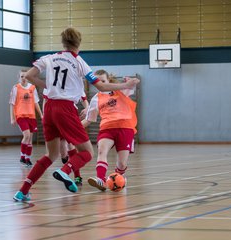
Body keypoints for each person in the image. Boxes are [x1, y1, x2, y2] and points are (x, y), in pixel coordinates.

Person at [13, 27, 139, 201]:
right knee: (87, 152)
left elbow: (29, 75)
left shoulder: (49, 58)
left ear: (63, 43)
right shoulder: (79, 61)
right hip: (65, 108)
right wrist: (125, 85)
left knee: (52, 154)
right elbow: (101, 86)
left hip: (49, 107)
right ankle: (65, 171)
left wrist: (49, 86)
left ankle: (23, 191)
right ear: (78, 44)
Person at [82, 70, 138, 191]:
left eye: (103, 81)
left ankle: (119, 177)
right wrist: (71, 129)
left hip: (125, 127)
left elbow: (131, 86)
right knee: (102, 152)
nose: (100, 83)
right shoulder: (96, 99)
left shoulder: (120, 90)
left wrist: (130, 82)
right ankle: (100, 180)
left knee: (122, 164)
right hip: (107, 128)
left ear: (108, 81)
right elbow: (89, 119)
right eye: (97, 81)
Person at [10, 69, 43, 167]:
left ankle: (27, 158)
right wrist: (12, 118)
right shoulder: (16, 88)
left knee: (30, 138)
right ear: (19, 78)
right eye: (21, 76)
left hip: (31, 116)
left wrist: (41, 114)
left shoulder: (32, 88)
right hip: (21, 115)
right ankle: (22, 156)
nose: (23, 78)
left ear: (28, 78)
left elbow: (35, 102)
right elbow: (12, 104)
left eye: (25, 76)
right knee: (27, 135)